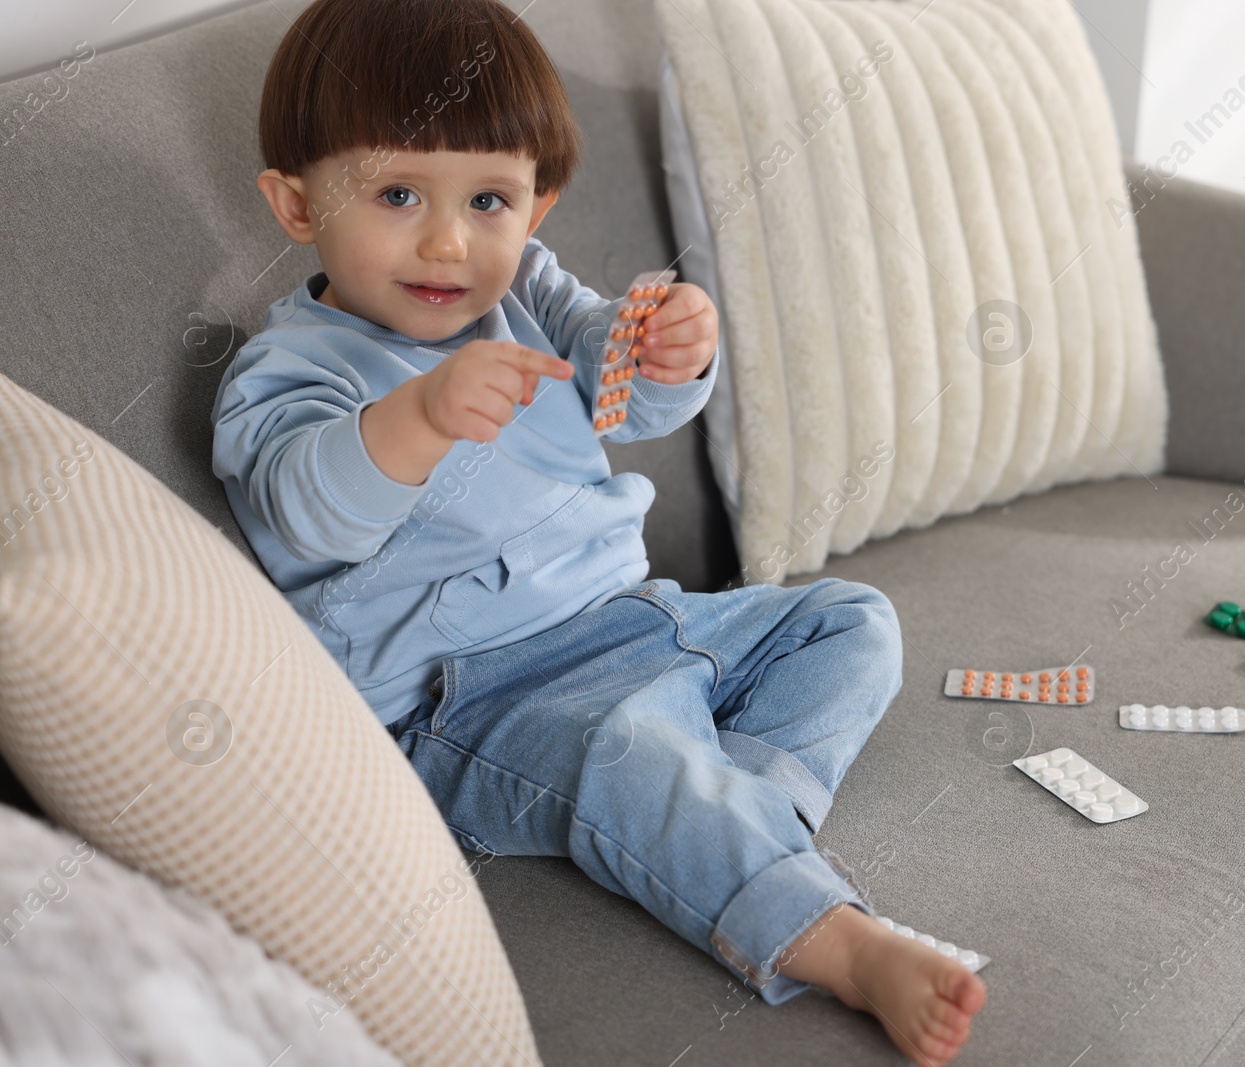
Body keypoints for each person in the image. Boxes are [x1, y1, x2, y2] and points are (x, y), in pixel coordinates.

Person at [209, 1, 986, 1063]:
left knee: (851, 618)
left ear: (536, 206)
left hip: (639, 617)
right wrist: (420, 416)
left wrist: (672, 343)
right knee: (630, 750)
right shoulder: (289, 371)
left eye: (489, 198)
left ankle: (742, 810)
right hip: (476, 697)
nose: (448, 239)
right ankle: (839, 940)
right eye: (397, 194)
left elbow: (625, 391)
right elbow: (307, 507)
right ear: (297, 205)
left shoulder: (524, 285)